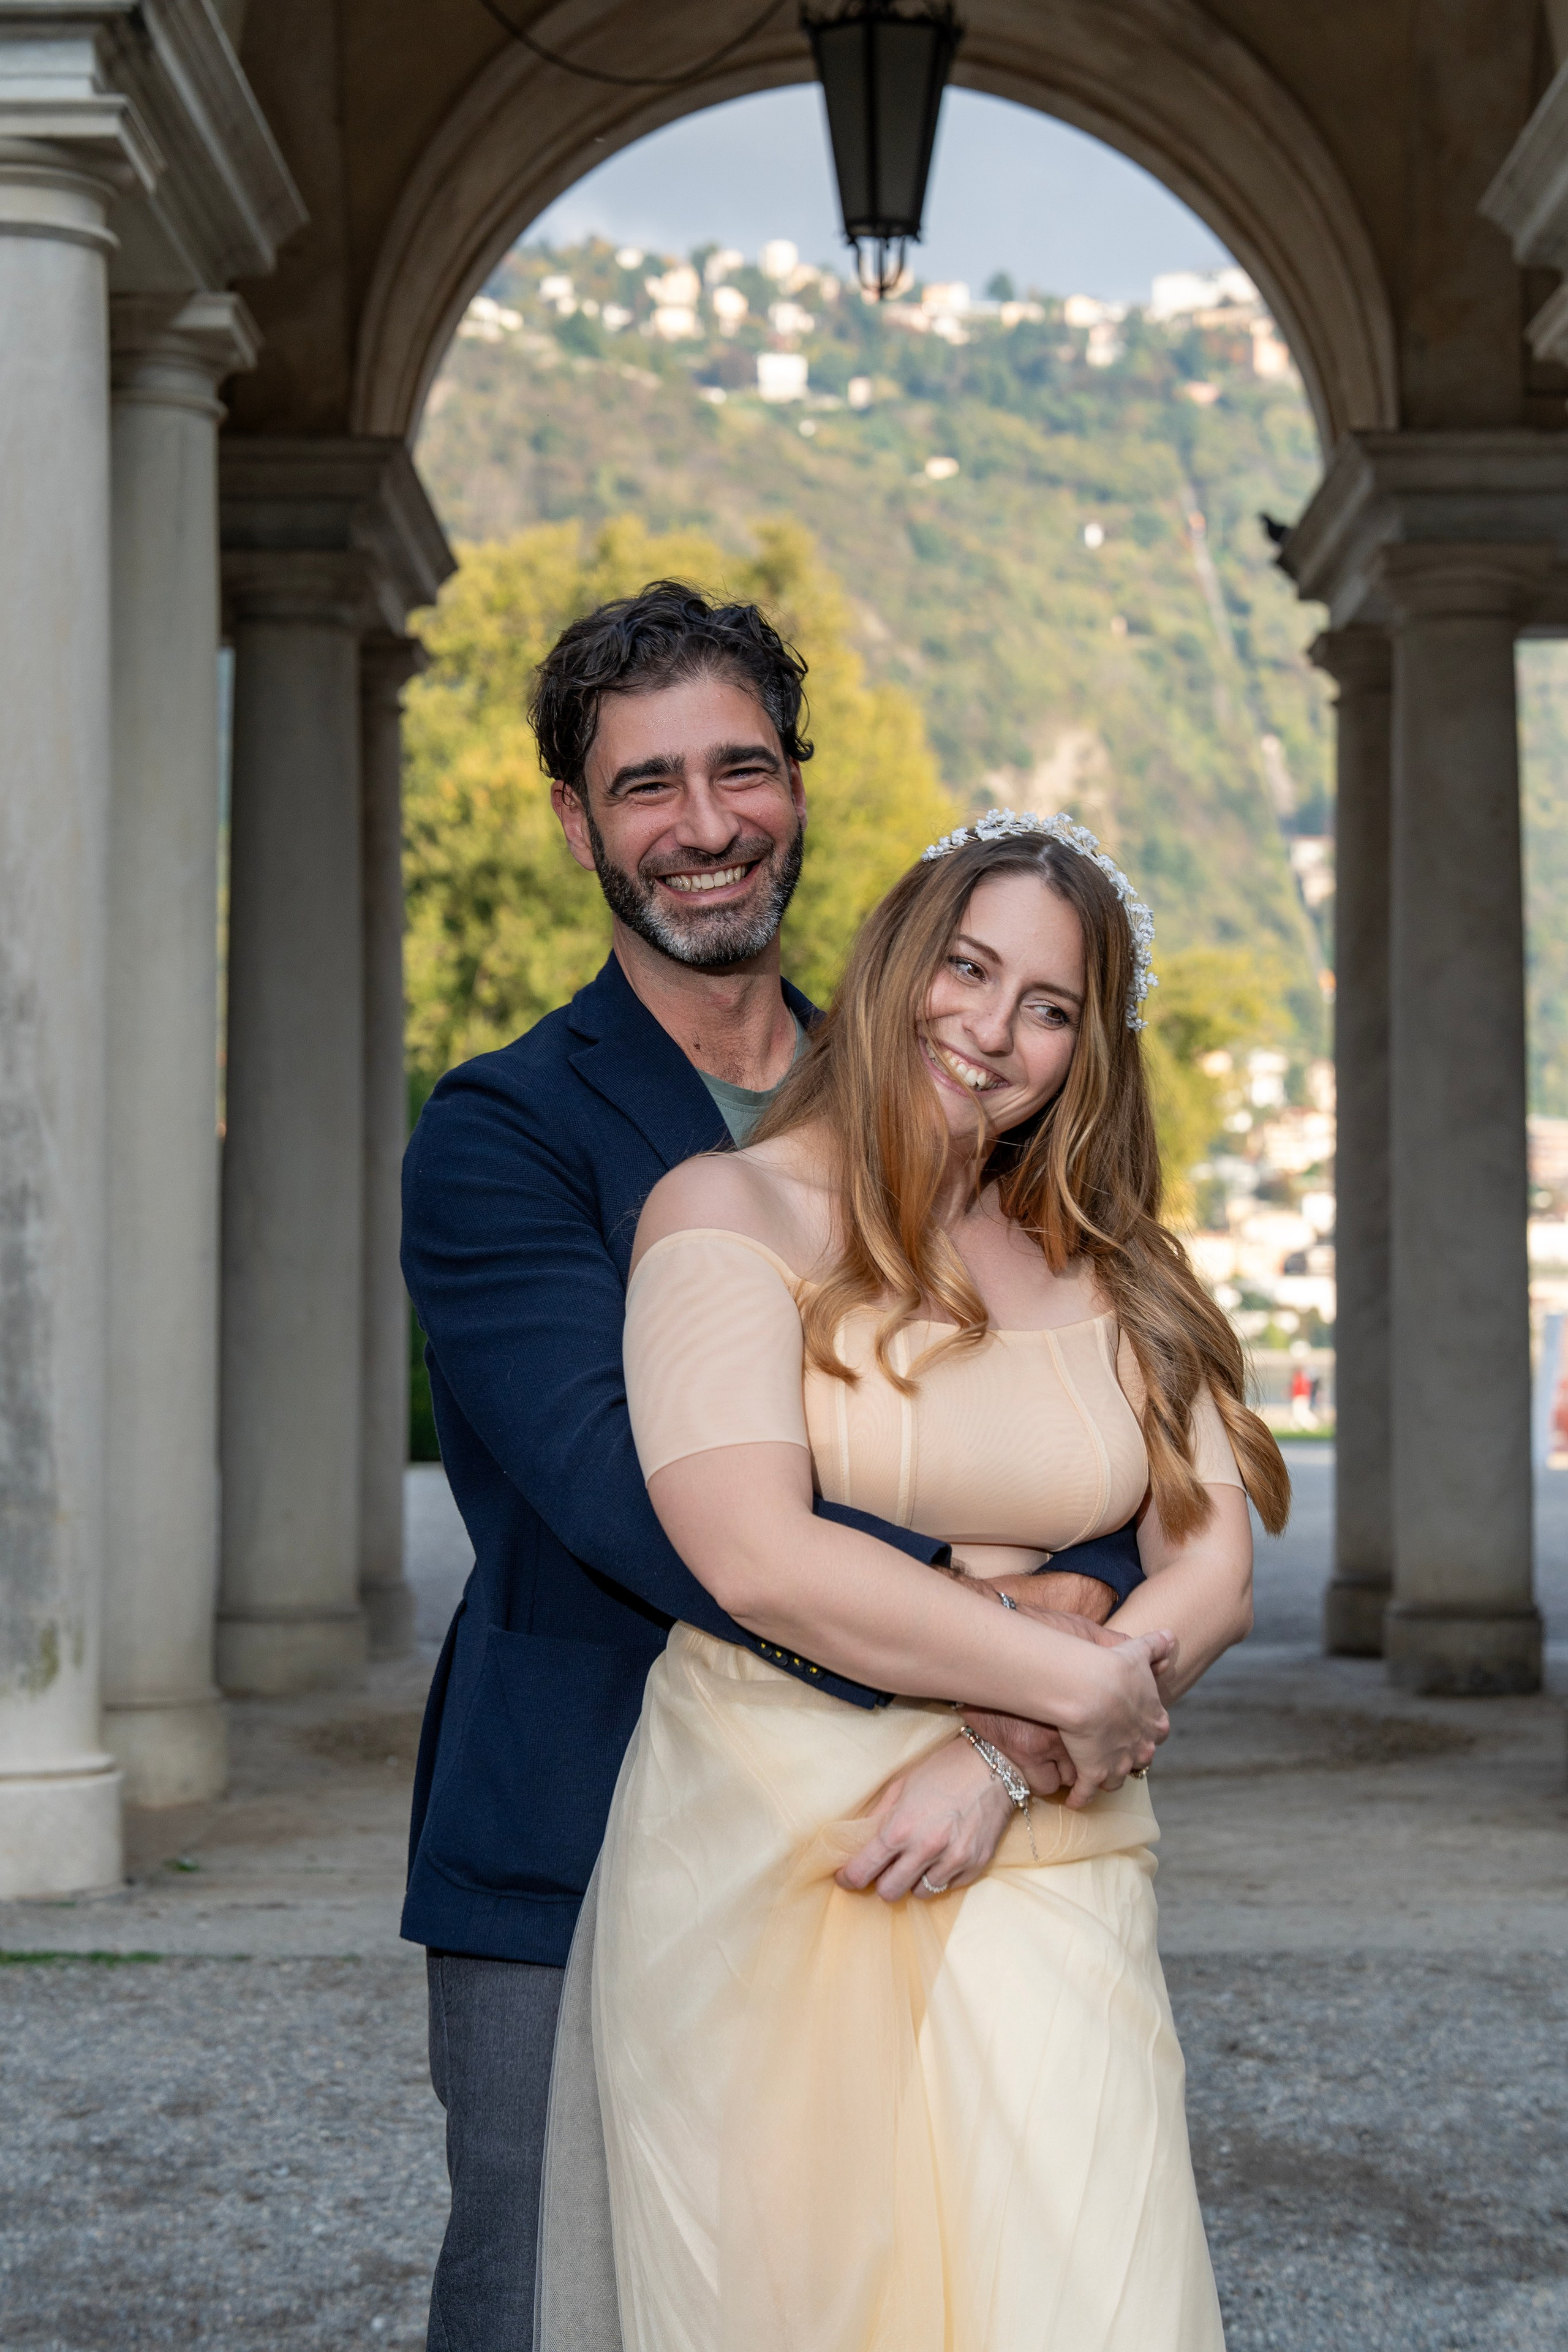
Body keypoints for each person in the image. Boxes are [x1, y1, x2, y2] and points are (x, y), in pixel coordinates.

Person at [399, 588, 1145, 2350]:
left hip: (914, 1817)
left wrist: (1035, 1665)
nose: (707, 823)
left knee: (864, 2283)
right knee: (545, 2291)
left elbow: (1081, 1430)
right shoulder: (501, 1135)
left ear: (799, 790)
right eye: (647, 785)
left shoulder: (951, 1086)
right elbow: (639, 1499)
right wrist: (1015, 1645)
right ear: (580, 824)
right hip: (575, 1815)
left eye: (743, 767)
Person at [582, 809, 1291, 2350]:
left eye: (1049, 1007)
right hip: (774, 1845)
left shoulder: (1119, 1267)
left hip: (1048, 1849)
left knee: (1089, 2300)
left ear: (1088, 1051)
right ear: (900, 958)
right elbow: (755, 1554)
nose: (992, 1030)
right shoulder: (724, 1212)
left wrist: (1003, 1755)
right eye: (966, 969)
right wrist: (1070, 1680)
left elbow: (1213, 1565)